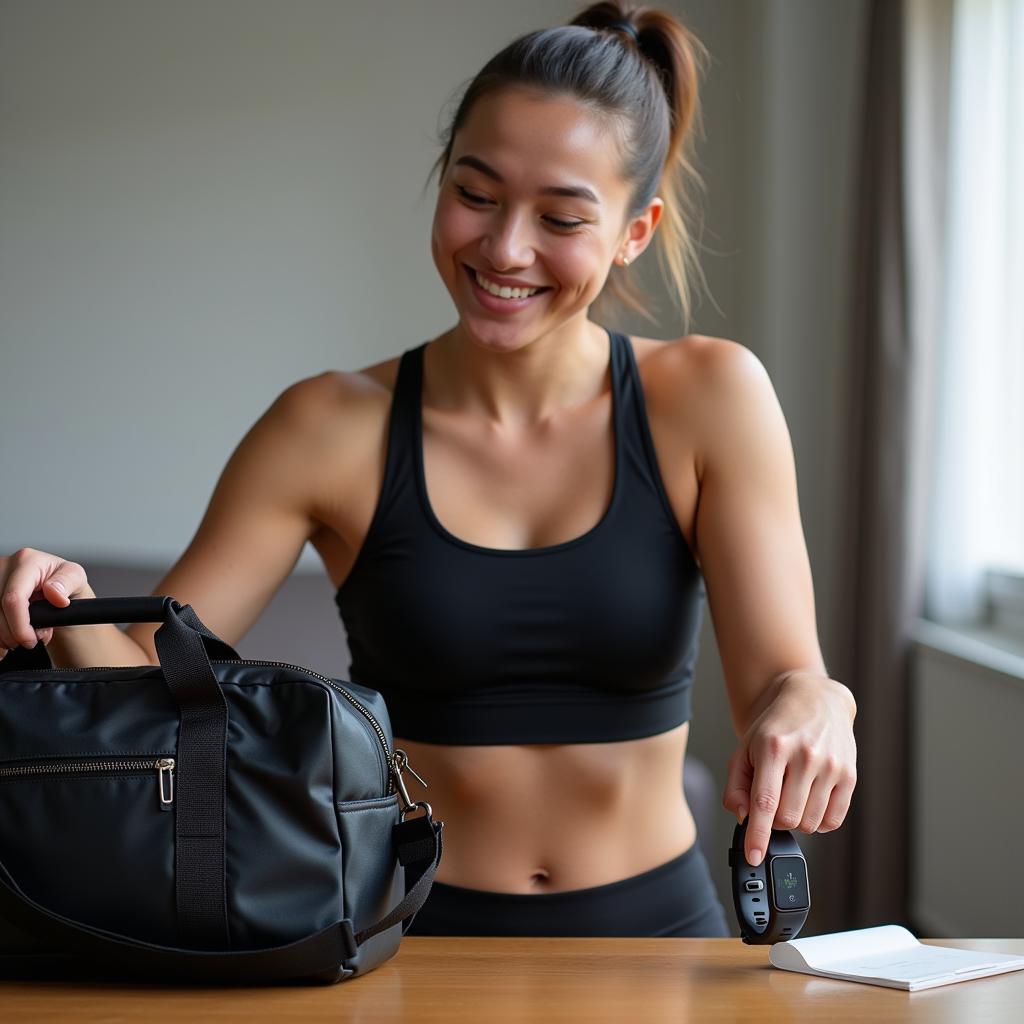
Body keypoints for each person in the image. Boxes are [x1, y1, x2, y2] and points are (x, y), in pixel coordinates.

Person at [0, 2, 857, 937]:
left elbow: (782, 680)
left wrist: (821, 697)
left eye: (561, 216)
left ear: (634, 231)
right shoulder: (325, 427)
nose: (504, 249)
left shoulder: (711, 397)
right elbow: (144, 690)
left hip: (657, 942)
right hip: (406, 942)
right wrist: (62, 604)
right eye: (476, 194)